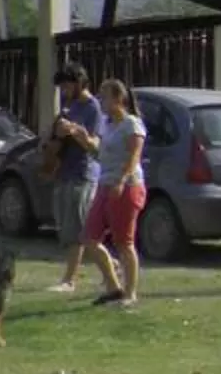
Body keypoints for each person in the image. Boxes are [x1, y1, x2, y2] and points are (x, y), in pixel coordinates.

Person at [83, 78, 148, 308]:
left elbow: (134, 156)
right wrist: (85, 141)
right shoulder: (108, 125)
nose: (101, 101)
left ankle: (130, 294)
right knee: (90, 239)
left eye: (105, 96)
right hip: (105, 184)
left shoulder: (132, 124)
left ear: (118, 98)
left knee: (124, 242)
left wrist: (122, 180)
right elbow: (102, 156)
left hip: (127, 187)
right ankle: (113, 287)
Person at [45, 62, 104, 293]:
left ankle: (69, 280)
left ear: (79, 83)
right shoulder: (68, 105)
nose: (64, 91)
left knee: (78, 230)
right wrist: (54, 138)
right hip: (64, 170)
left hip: (83, 172)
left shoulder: (93, 108)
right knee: (67, 225)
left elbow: (94, 145)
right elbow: (57, 139)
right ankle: (113, 266)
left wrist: (75, 131)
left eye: (67, 86)